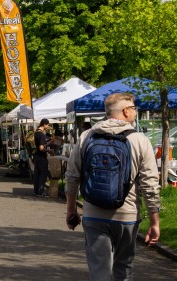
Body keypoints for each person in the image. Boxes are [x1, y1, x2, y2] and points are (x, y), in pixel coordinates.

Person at [65, 92, 160, 280]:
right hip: (127, 216)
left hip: (93, 214)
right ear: (125, 111)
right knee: (123, 269)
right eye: (133, 109)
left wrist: (71, 210)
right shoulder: (140, 140)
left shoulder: (86, 136)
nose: (135, 112)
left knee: (99, 271)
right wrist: (154, 222)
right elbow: (150, 185)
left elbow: (72, 176)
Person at [34, 118, 52, 197]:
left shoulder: (36, 132)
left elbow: (40, 145)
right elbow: (41, 148)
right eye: (48, 125)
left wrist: (49, 142)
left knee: (37, 174)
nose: (48, 126)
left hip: (36, 156)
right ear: (44, 124)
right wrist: (49, 151)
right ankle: (40, 192)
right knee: (43, 174)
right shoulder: (42, 134)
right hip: (41, 157)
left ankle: (37, 191)